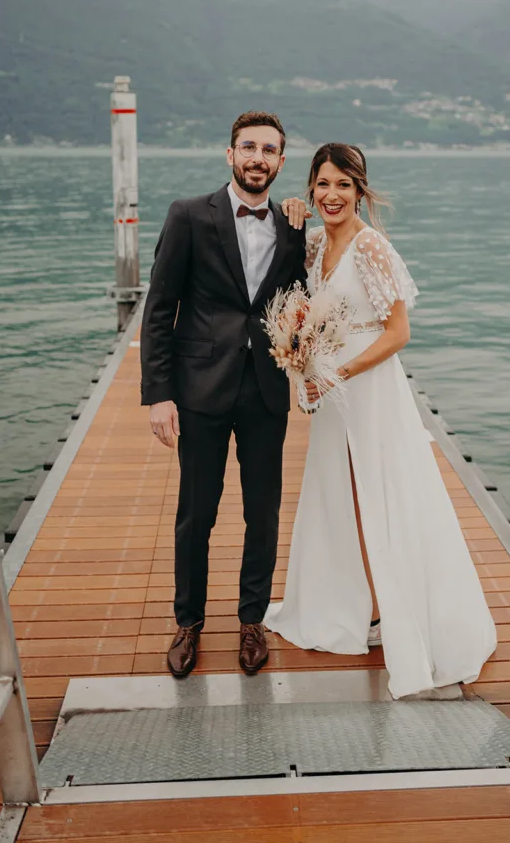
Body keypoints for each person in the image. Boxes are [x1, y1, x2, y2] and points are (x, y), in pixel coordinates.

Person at [265, 143, 497, 699]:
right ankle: (346, 607)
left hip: (368, 390)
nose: (331, 195)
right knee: (336, 494)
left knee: (384, 494)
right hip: (333, 394)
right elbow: (298, 296)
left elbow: (398, 334)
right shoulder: (316, 243)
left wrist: (335, 373)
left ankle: (405, 616)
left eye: (343, 185)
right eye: (322, 184)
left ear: (360, 190)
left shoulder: (371, 248)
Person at [140, 111, 309, 679]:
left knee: (262, 513)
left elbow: (299, 301)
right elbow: (159, 309)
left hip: (265, 391)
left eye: (269, 150)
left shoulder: (293, 226)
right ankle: (188, 622)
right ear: (230, 154)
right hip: (199, 389)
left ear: (281, 162)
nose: (258, 157)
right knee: (197, 513)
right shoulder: (188, 215)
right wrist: (158, 395)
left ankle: (251, 621)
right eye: (248, 147)